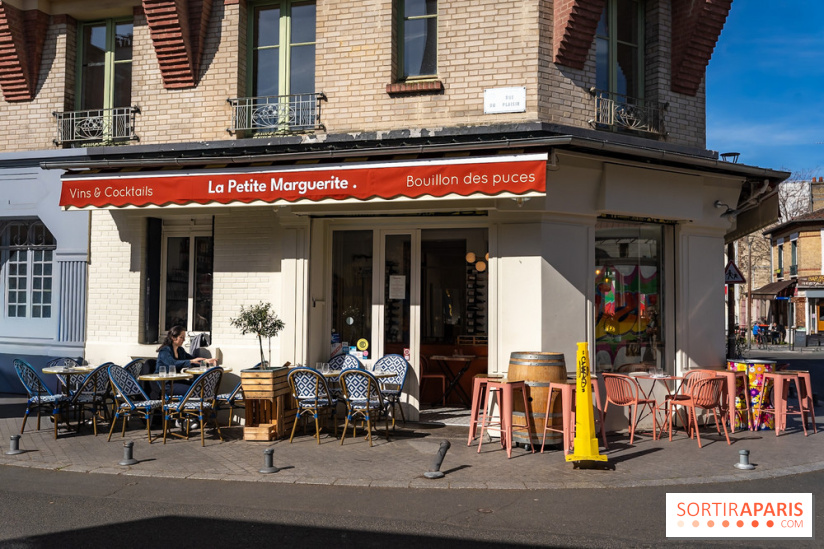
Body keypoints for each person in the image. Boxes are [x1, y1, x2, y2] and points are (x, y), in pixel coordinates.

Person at [156, 325, 217, 396]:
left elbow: (192, 359)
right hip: (166, 384)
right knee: (194, 390)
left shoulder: (180, 350)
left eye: (184, 337)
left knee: (200, 388)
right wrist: (191, 361)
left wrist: (206, 362)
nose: (184, 340)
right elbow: (172, 363)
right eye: (181, 337)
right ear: (173, 338)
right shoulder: (165, 350)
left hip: (177, 381)